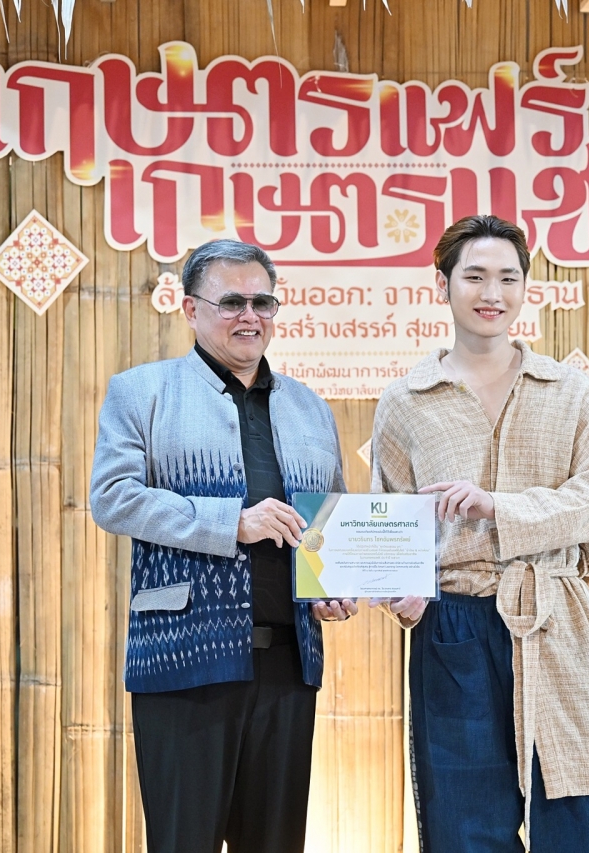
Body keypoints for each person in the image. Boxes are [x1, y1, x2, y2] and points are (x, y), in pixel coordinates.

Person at [89, 239, 357, 853]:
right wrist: (229, 522)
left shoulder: (311, 408)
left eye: (263, 302)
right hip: (184, 659)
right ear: (190, 308)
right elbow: (113, 498)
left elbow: (329, 521)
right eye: (232, 302)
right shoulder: (142, 391)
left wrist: (331, 587)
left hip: (289, 664)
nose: (250, 316)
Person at [371, 215, 589, 852]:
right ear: (443, 284)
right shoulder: (406, 401)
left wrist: (498, 508)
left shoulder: (568, 391)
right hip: (453, 625)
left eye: (508, 278)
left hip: (555, 615)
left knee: (581, 808)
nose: (493, 293)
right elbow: (392, 516)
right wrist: (402, 590)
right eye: (475, 276)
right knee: (463, 819)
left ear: (524, 288)